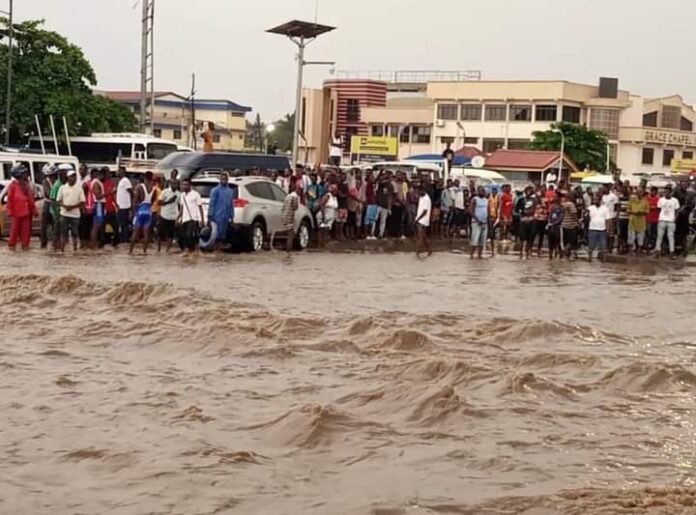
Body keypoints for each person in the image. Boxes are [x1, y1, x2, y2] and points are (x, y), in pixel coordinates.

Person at [6, 165, 37, 250]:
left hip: (26, 213)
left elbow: (31, 199)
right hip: (16, 213)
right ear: (19, 174)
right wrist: (10, 211)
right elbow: (10, 200)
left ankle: (25, 246)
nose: (26, 174)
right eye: (24, 173)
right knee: (14, 232)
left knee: (26, 233)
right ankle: (12, 247)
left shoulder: (27, 185)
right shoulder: (12, 186)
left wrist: (34, 210)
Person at [56, 170, 85, 252]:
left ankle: (75, 250)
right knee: (63, 234)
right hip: (64, 214)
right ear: (68, 178)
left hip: (75, 215)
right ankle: (62, 250)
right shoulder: (62, 188)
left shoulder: (79, 189)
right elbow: (58, 200)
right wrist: (65, 206)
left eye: (75, 176)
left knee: (75, 234)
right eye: (72, 176)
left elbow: (83, 202)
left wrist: (72, 207)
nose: (74, 178)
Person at [129, 172, 155, 254]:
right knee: (146, 233)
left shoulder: (139, 187)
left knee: (135, 232)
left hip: (140, 211)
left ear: (144, 177)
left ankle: (130, 251)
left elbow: (135, 201)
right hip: (148, 212)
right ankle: (144, 251)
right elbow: (152, 201)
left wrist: (133, 212)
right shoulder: (153, 188)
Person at [208, 172, 235, 250]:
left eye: (225, 179)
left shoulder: (230, 191)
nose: (224, 180)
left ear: (227, 180)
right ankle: (215, 250)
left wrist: (232, 216)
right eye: (222, 179)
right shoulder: (215, 190)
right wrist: (210, 215)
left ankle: (219, 251)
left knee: (222, 235)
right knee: (215, 235)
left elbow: (231, 204)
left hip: (225, 216)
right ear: (220, 180)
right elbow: (212, 203)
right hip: (216, 216)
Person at [177, 178, 204, 254]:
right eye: (183, 185)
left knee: (189, 236)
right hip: (184, 219)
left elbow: (200, 207)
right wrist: (178, 218)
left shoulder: (196, 194)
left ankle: (190, 251)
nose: (184, 186)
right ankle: (192, 251)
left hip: (193, 218)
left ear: (190, 186)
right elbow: (182, 208)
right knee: (184, 236)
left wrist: (201, 220)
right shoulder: (182, 195)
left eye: (186, 185)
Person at [655, 185, 680, 258]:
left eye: (668, 192)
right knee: (659, 236)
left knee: (671, 236)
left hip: (671, 221)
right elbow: (658, 209)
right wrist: (660, 217)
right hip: (662, 220)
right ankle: (657, 251)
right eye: (665, 192)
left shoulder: (675, 200)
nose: (667, 193)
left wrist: (675, 219)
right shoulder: (661, 199)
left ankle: (671, 252)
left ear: (671, 192)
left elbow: (677, 210)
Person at [278, 181, 302, 254]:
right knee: (290, 234)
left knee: (287, 232)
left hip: (284, 215)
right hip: (289, 216)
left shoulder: (288, 196)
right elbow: (295, 207)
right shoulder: (294, 197)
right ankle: (289, 249)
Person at [157, 178, 179, 252]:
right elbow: (159, 202)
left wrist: (178, 217)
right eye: (173, 183)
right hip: (164, 215)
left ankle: (167, 250)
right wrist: (168, 201)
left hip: (173, 217)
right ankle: (158, 249)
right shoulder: (165, 192)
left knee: (171, 235)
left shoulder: (179, 194)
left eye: (176, 184)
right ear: (170, 184)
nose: (174, 185)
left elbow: (180, 205)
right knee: (160, 234)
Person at [516, 185, 538, 259]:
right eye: (527, 190)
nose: (529, 192)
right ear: (525, 191)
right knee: (522, 238)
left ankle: (527, 253)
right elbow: (516, 209)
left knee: (530, 237)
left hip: (531, 219)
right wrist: (521, 214)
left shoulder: (535, 200)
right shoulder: (521, 200)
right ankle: (521, 253)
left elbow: (537, 207)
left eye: (530, 191)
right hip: (523, 219)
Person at [587, 193, 610, 262]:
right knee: (591, 245)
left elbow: (608, 219)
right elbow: (587, 218)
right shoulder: (590, 208)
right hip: (592, 228)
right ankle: (589, 259)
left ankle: (604, 260)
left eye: (596, 200)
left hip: (602, 229)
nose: (595, 201)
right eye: (594, 200)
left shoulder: (605, 208)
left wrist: (608, 229)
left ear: (600, 200)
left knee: (603, 246)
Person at [469, 186, 490, 259]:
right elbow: (471, 211)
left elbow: (487, 210)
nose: (482, 192)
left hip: (485, 222)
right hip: (476, 222)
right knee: (474, 239)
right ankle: (471, 255)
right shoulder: (474, 199)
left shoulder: (486, 200)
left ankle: (479, 255)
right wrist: (478, 220)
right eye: (481, 191)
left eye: (483, 191)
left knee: (482, 240)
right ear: (478, 191)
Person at [39, 165, 57, 248]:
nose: (51, 177)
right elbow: (48, 193)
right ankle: (43, 243)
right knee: (44, 226)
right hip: (47, 205)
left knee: (56, 225)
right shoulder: (45, 182)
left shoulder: (57, 182)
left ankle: (55, 243)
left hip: (55, 205)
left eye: (52, 175)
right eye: (50, 176)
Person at [627, 188, 648, 254]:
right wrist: (634, 212)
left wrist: (641, 213)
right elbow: (628, 210)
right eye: (638, 192)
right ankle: (630, 251)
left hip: (641, 222)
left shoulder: (645, 201)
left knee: (640, 238)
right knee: (631, 237)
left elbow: (647, 211)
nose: (639, 193)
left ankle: (639, 251)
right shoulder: (632, 200)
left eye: (641, 192)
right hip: (632, 221)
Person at [317, 184, 338, 248]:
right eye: (334, 189)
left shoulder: (334, 197)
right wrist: (323, 215)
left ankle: (324, 244)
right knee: (321, 230)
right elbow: (322, 204)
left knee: (326, 230)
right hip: (325, 214)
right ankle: (320, 244)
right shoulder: (327, 195)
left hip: (330, 216)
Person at [560, 191, 579, 259]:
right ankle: (564, 252)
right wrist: (578, 222)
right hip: (571, 225)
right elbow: (574, 215)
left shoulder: (562, 204)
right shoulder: (571, 204)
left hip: (564, 225)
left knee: (566, 241)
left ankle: (566, 255)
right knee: (571, 241)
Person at [89, 168, 105, 250]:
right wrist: (109, 192)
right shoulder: (96, 183)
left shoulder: (97, 182)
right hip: (98, 204)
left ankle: (94, 244)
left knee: (97, 225)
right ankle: (93, 245)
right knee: (96, 226)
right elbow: (98, 197)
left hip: (99, 204)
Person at [116, 167, 133, 244]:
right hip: (120, 206)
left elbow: (130, 192)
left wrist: (131, 206)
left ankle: (125, 239)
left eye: (119, 171)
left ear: (122, 172)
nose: (117, 172)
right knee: (122, 224)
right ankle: (123, 239)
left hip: (125, 206)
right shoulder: (121, 181)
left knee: (124, 224)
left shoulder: (125, 180)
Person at [415, 184, 432, 258]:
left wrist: (418, 219)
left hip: (422, 220)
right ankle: (429, 251)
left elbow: (425, 211)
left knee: (420, 238)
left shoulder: (426, 199)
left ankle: (417, 253)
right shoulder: (421, 197)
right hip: (421, 219)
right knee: (424, 237)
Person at [375, 172, 394, 239]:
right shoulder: (381, 184)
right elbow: (378, 181)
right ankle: (373, 233)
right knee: (375, 219)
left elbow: (390, 197)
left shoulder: (390, 185)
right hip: (378, 204)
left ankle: (381, 234)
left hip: (385, 205)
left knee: (383, 221)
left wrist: (389, 207)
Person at [601, 185, 618, 253]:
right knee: (605, 233)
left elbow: (616, 207)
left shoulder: (614, 196)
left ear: (608, 188)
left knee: (611, 233)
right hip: (604, 217)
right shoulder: (603, 197)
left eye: (604, 188)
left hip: (611, 216)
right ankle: (605, 247)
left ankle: (610, 248)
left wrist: (615, 216)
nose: (603, 189)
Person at [547, 195, 564, 260]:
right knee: (550, 242)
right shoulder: (552, 207)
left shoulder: (561, 207)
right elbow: (549, 216)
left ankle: (561, 256)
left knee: (559, 242)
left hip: (558, 227)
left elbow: (561, 217)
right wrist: (550, 223)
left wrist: (555, 223)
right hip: (551, 226)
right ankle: (550, 256)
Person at [532, 193, 548, 257]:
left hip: (543, 219)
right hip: (537, 219)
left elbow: (547, 208)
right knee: (533, 234)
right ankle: (531, 247)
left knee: (541, 235)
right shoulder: (535, 201)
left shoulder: (545, 200)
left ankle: (539, 248)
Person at [363, 173, 379, 240]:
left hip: (375, 203)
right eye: (371, 177)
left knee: (372, 220)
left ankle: (371, 234)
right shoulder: (368, 184)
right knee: (367, 219)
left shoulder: (373, 185)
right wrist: (380, 173)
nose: (372, 178)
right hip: (370, 203)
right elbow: (375, 180)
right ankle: (366, 234)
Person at [645, 186, 660, 251]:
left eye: (655, 191)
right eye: (652, 191)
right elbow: (646, 206)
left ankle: (653, 246)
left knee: (655, 233)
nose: (653, 192)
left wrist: (653, 207)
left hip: (656, 219)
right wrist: (652, 207)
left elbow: (659, 207)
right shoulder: (646, 198)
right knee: (648, 233)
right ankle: (647, 246)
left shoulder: (658, 198)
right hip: (648, 219)